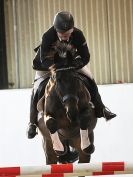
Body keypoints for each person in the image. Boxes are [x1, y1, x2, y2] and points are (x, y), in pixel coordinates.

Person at [27, 11, 116, 139]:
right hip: (46, 66)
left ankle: (101, 108)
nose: (65, 37)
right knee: (37, 88)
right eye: (62, 34)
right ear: (55, 30)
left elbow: (86, 56)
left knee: (90, 79)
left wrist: (76, 65)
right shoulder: (47, 36)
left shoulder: (78, 34)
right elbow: (43, 59)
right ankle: (32, 123)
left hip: (71, 64)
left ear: (72, 29)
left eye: (68, 33)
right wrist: (57, 68)